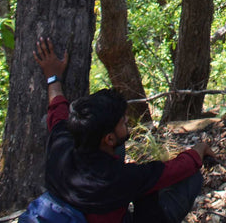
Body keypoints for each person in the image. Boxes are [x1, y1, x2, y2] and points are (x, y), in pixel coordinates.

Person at [32, 37, 215, 222]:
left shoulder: (60, 148)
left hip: (82, 206)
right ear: (108, 139)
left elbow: (57, 110)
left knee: (126, 160)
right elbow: (177, 168)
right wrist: (199, 149)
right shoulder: (121, 179)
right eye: (121, 121)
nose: (127, 119)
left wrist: (52, 77)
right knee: (191, 179)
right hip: (110, 201)